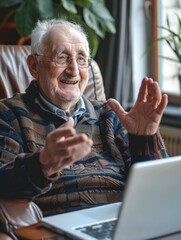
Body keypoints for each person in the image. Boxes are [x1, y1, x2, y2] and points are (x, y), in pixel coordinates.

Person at [0, 19, 168, 217]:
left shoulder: (109, 115)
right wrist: (43, 163)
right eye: (62, 58)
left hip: (124, 221)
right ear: (34, 66)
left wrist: (144, 140)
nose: (73, 70)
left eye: (81, 59)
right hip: (60, 225)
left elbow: (159, 190)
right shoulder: (9, 114)